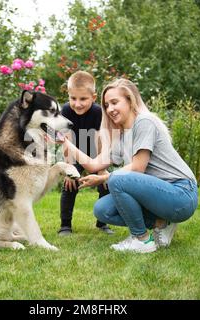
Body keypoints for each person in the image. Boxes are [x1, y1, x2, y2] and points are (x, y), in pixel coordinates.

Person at [58, 78, 198, 253]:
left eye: (114, 102)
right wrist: (64, 142)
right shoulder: (122, 137)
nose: (110, 109)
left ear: (130, 101)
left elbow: (137, 167)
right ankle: (161, 223)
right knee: (103, 210)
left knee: (117, 178)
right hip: (159, 196)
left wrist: (104, 177)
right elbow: (94, 165)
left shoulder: (144, 122)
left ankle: (141, 239)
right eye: (107, 105)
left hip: (181, 193)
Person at [58, 71, 114, 236]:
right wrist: (69, 169)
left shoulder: (98, 112)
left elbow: (102, 140)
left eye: (83, 99)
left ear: (94, 97)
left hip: (95, 154)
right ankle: (65, 225)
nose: (77, 103)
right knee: (70, 185)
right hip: (74, 153)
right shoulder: (66, 110)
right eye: (73, 98)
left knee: (105, 185)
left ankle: (102, 223)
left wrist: (102, 167)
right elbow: (65, 141)